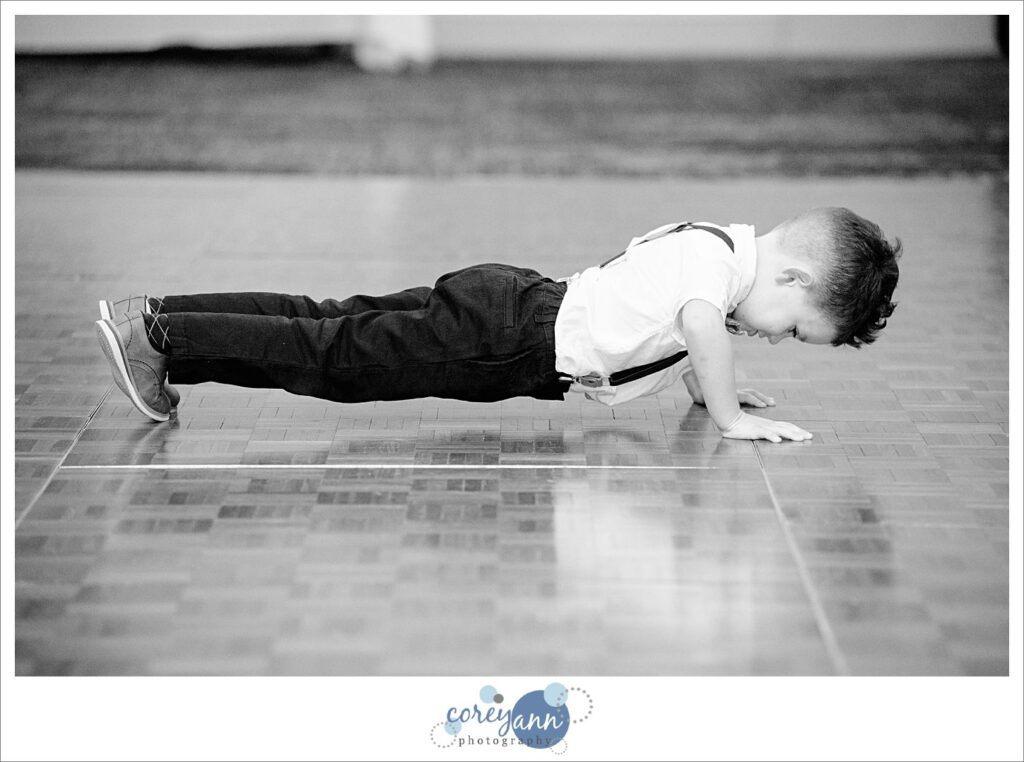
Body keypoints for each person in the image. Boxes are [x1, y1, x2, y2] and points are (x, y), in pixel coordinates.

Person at [94, 206, 900, 443]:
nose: (774, 338)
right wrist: (727, 417)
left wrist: (705, 389)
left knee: (331, 322)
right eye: (795, 328)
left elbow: (691, 328)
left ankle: (160, 318)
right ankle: (159, 341)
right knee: (334, 355)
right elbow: (699, 323)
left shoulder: (715, 248)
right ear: (792, 278)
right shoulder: (715, 281)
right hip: (507, 340)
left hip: (508, 302)